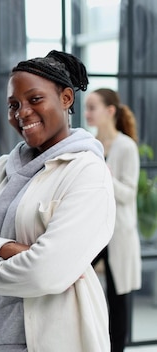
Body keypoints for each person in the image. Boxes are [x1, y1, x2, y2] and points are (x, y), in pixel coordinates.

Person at [0, 50, 116, 351]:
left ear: (66, 98)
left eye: (35, 99)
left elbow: (45, 274)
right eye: (13, 104)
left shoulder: (87, 173)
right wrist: (2, 248)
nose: (22, 112)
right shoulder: (0, 170)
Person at [85, 87, 142, 352]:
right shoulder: (89, 144)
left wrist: (105, 174)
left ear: (110, 111)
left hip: (118, 234)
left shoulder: (126, 146)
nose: (87, 113)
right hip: (94, 232)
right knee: (76, 280)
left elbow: (129, 192)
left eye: (92, 107)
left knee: (118, 302)